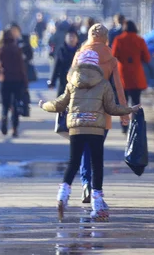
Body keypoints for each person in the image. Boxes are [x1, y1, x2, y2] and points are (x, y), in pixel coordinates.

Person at [38, 50, 140, 222]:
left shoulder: (72, 82)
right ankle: (97, 205)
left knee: (73, 162)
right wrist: (129, 110)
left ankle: (62, 195)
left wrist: (44, 105)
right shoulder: (103, 83)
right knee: (96, 164)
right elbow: (111, 108)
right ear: (96, 65)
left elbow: (60, 104)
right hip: (96, 130)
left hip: (76, 128)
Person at [73, 23, 129, 204]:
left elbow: (70, 81)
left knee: (84, 148)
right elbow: (119, 87)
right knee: (96, 149)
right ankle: (96, 189)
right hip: (102, 110)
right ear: (106, 38)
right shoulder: (111, 59)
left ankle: (85, 183)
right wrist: (124, 112)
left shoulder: (80, 55)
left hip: (81, 109)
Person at [0, 29, 28, 138]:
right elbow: (22, 67)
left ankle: (4, 121)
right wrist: (25, 82)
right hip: (17, 80)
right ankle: (14, 128)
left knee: (5, 105)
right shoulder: (16, 49)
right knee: (15, 104)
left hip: (4, 80)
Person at [111, 20, 151, 108]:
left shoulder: (118, 40)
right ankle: (135, 120)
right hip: (136, 74)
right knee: (136, 102)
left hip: (123, 74)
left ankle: (124, 121)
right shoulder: (140, 40)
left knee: (123, 102)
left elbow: (113, 56)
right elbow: (147, 58)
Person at [48, 30, 79, 96]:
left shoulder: (80, 51)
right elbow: (56, 67)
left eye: (73, 37)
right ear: (65, 38)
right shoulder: (61, 50)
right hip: (63, 81)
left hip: (77, 82)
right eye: (69, 37)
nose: (71, 39)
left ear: (77, 39)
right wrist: (52, 82)